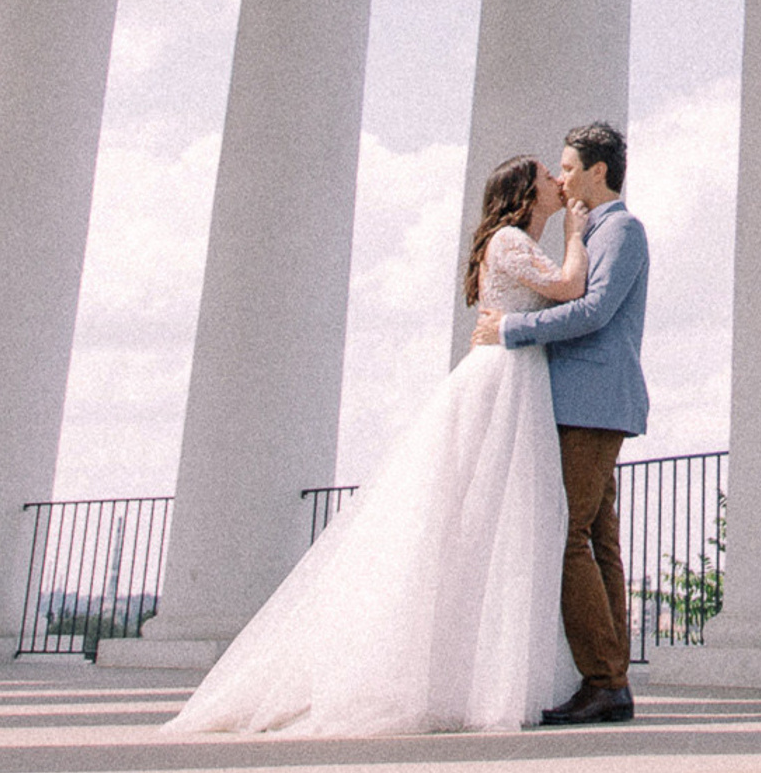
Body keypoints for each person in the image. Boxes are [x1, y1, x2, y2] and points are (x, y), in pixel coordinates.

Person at [170, 154, 585, 735]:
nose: (556, 182)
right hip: (501, 380)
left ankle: (473, 677)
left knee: (493, 527)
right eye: (545, 176)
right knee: (480, 520)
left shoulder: (517, 241)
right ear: (523, 192)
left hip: (514, 377)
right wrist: (575, 233)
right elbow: (570, 287)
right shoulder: (511, 240)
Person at [469, 120, 648, 727]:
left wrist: (510, 329)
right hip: (577, 402)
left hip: (593, 403)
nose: (562, 178)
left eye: (568, 168)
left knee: (569, 534)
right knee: (599, 538)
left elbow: (593, 311)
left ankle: (605, 682)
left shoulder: (621, 231)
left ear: (598, 171)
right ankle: (610, 678)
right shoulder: (585, 232)